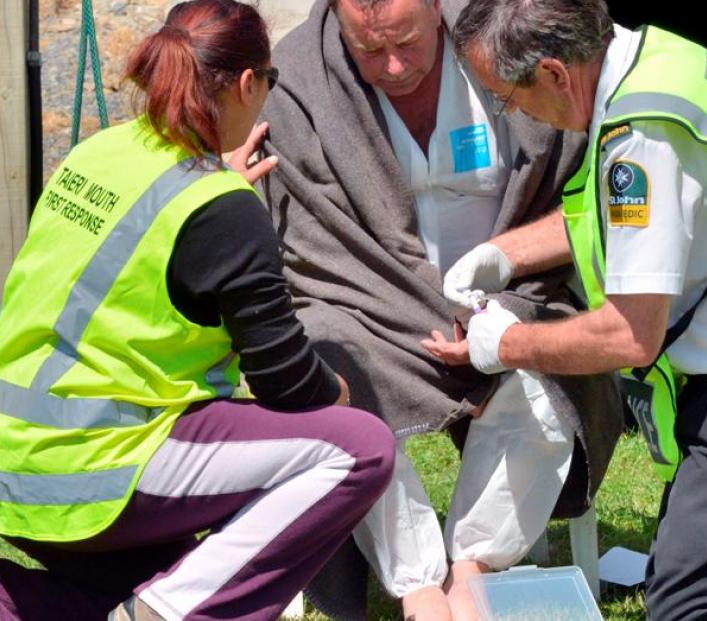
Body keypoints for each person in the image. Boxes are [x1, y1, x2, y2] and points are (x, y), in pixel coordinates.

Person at [424, 1, 707, 619]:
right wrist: (503, 256)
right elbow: (606, 216)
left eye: (507, 99)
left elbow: (629, 334)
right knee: (704, 575)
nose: (515, 114)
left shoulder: (642, 133)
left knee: (691, 611)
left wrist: (503, 345)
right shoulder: (658, 63)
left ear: (556, 74)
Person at [0, 2, 396, 620]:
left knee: (171, 576)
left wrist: (212, 177)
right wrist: (338, 391)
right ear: (245, 84)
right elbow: (286, 382)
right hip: (93, 465)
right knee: (360, 447)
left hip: (0, 462)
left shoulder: (99, 152)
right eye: (270, 83)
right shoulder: (222, 208)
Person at [260, 0, 622, 619]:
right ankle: (416, 582)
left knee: (551, 355)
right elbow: (313, 242)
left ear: (436, 9)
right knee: (324, 357)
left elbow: (577, 187)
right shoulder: (295, 81)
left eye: (406, 43)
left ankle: (473, 563)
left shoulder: (503, 43)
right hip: (364, 303)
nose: (394, 66)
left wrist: (497, 294)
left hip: (517, 287)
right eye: (370, 51)